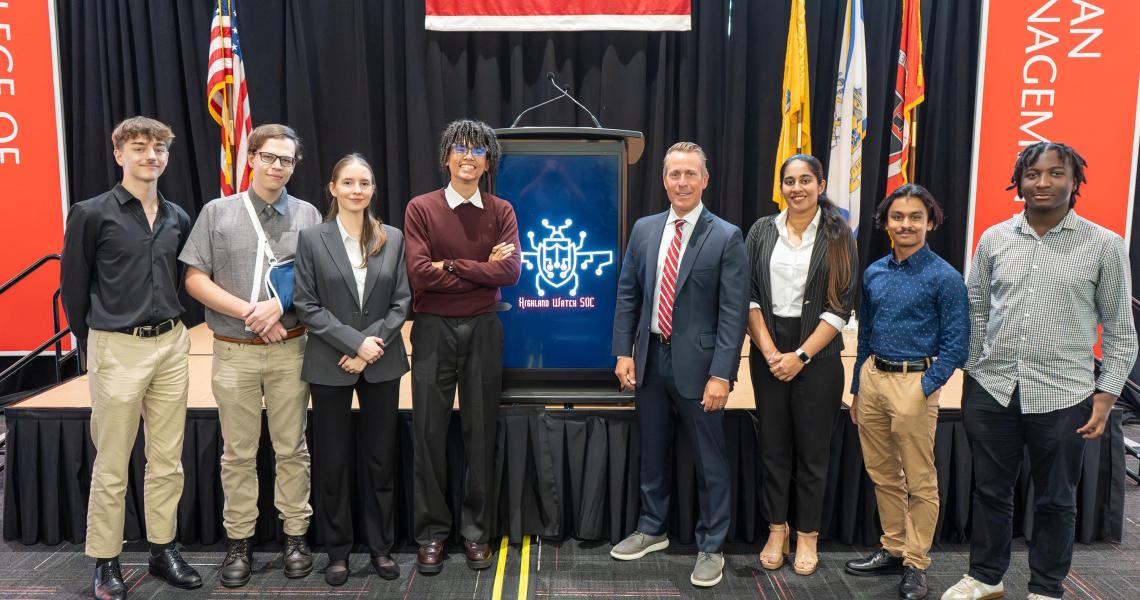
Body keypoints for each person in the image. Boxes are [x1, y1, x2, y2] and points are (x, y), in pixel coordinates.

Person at [942, 142, 1137, 600]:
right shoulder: (994, 239)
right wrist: (973, 370)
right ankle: (985, 578)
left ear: (1075, 181)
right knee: (990, 492)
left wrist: (1106, 395)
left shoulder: (1104, 245)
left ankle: (1046, 587)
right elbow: (975, 309)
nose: (1042, 183)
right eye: (1032, 174)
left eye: (1054, 173)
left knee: (1056, 498)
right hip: (994, 388)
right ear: (1019, 182)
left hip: (1064, 394)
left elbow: (1120, 329)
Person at [60, 116, 201, 600]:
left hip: (171, 345)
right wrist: (94, 342)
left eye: (159, 148)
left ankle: (163, 550)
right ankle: (106, 561)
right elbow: (73, 288)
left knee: (167, 460)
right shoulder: (91, 213)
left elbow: (180, 279)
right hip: (117, 346)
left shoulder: (178, 216)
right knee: (113, 461)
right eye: (139, 147)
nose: (150, 156)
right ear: (119, 154)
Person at [180, 124, 321, 587]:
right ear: (252, 158)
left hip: (290, 349)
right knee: (237, 452)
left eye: (287, 160)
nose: (278, 166)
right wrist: (252, 314)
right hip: (235, 351)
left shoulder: (308, 214)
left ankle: (295, 536)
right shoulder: (217, 212)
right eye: (269, 157)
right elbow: (195, 279)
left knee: (292, 448)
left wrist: (279, 307)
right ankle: (239, 540)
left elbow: (319, 280)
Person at [610, 141, 749, 588]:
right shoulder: (645, 229)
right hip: (650, 358)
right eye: (675, 174)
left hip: (702, 367)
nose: (682, 182)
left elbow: (733, 313)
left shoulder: (726, 236)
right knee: (652, 450)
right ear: (664, 180)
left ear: (705, 179)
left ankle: (712, 545)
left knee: (710, 461)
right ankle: (652, 528)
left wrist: (722, 374)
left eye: (691, 174)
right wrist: (624, 351)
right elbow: (628, 293)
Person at [404, 119, 521, 574]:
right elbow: (420, 274)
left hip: (484, 328)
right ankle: (432, 533)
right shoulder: (421, 208)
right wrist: (478, 267)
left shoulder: (501, 210)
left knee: (481, 431)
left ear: (488, 161)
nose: (469, 156)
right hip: (432, 328)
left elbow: (509, 273)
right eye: (460, 148)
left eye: (478, 150)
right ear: (446, 157)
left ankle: (476, 532)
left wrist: (449, 265)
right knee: (428, 432)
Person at [844, 184, 968, 600]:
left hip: (915, 382)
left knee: (920, 479)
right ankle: (894, 548)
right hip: (873, 379)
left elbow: (956, 345)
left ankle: (916, 562)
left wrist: (926, 386)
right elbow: (865, 334)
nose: (906, 224)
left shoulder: (945, 277)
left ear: (930, 222)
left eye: (916, 217)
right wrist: (857, 387)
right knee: (883, 473)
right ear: (886, 223)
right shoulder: (874, 272)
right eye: (898, 217)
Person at [293, 153, 410, 586]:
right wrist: (353, 342)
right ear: (333, 188)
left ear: (373, 189)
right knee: (333, 462)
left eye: (364, 183)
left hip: (381, 361)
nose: (356, 190)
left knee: (380, 461)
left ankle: (381, 548)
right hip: (330, 362)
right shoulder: (312, 239)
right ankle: (337, 552)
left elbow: (401, 302)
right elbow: (306, 304)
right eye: (348, 182)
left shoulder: (392, 237)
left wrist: (368, 347)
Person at [745, 154, 857, 576]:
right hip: (768, 353)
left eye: (805, 180)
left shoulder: (839, 234)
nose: (797, 188)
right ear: (781, 187)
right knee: (773, 449)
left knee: (812, 452)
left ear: (820, 185)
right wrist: (771, 352)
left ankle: (808, 534)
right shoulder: (761, 230)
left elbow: (840, 306)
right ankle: (778, 530)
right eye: (789, 181)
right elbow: (748, 295)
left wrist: (801, 356)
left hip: (819, 358)